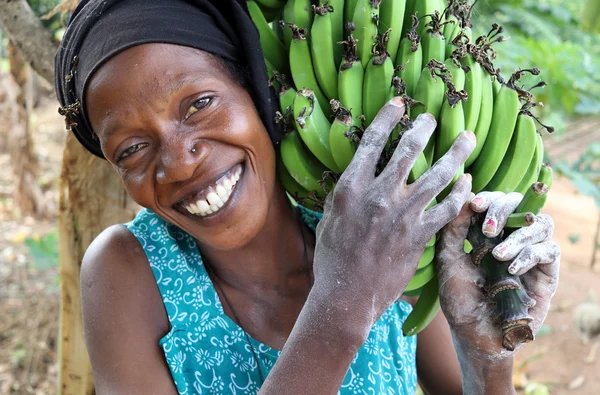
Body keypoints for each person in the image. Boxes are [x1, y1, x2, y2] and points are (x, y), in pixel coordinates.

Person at [54, 0, 561, 394]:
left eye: (200, 104)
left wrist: (486, 355)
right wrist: (344, 303)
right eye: (133, 149)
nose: (180, 161)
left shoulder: (375, 223)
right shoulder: (129, 271)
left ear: (257, 91)